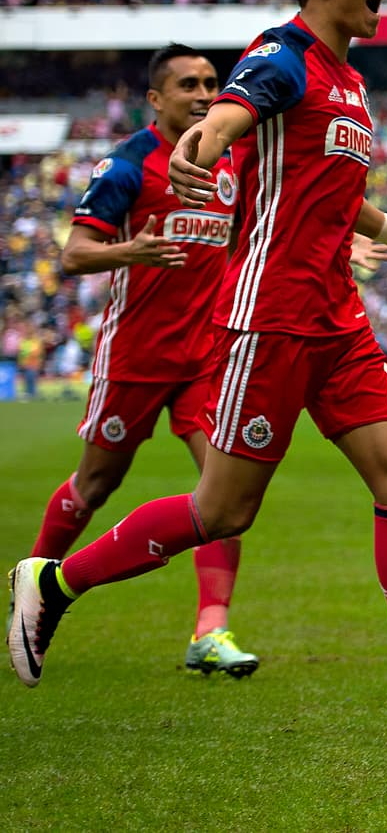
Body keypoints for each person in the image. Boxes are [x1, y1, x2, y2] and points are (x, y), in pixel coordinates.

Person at [9, 0, 387, 732]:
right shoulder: (282, 56)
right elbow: (231, 114)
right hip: (270, 318)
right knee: (222, 512)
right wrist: (201, 142)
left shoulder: (349, 82)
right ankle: (54, 582)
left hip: (336, 318)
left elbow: (336, 196)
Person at [24, 43, 258, 677]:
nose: (204, 94)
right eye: (188, 84)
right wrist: (132, 252)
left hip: (206, 357)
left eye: (210, 82)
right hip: (135, 356)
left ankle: (211, 630)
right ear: (156, 98)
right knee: (95, 484)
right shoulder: (129, 164)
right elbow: (74, 254)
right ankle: (33, 591)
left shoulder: (231, 159)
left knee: (226, 489)